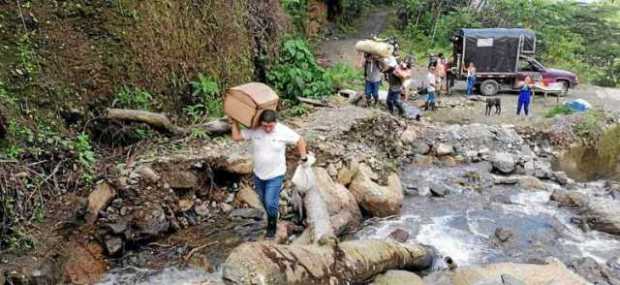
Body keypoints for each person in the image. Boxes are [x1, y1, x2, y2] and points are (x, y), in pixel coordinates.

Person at [230, 110, 308, 239]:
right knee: (264, 201)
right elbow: (237, 137)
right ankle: (273, 215)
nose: (267, 128)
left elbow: (299, 140)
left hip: (276, 174)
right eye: (264, 125)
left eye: (270, 126)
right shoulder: (256, 130)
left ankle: (271, 227)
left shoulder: (282, 131)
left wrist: (304, 157)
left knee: (270, 202)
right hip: (258, 174)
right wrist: (235, 122)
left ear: (275, 123)